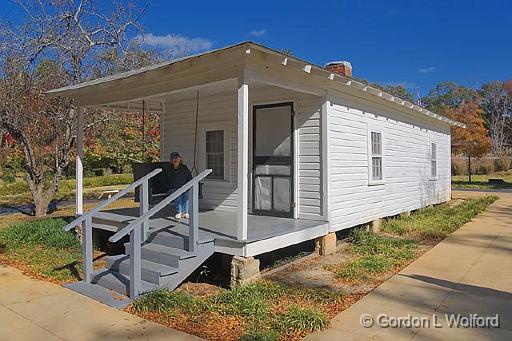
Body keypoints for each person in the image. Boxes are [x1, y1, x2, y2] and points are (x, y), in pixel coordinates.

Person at [166, 152, 193, 219]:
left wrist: (186, 187)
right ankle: (179, 212)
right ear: (171, 160)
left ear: (180, 159)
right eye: (174, 158)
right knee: (177, 192)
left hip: (182, 189)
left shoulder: (184, 168)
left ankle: (185, 212)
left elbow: (190, 178)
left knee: (185, 193)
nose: (176, 160)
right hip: (171, 189)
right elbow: (164, 181)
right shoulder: (168, 169)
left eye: (177, 158)